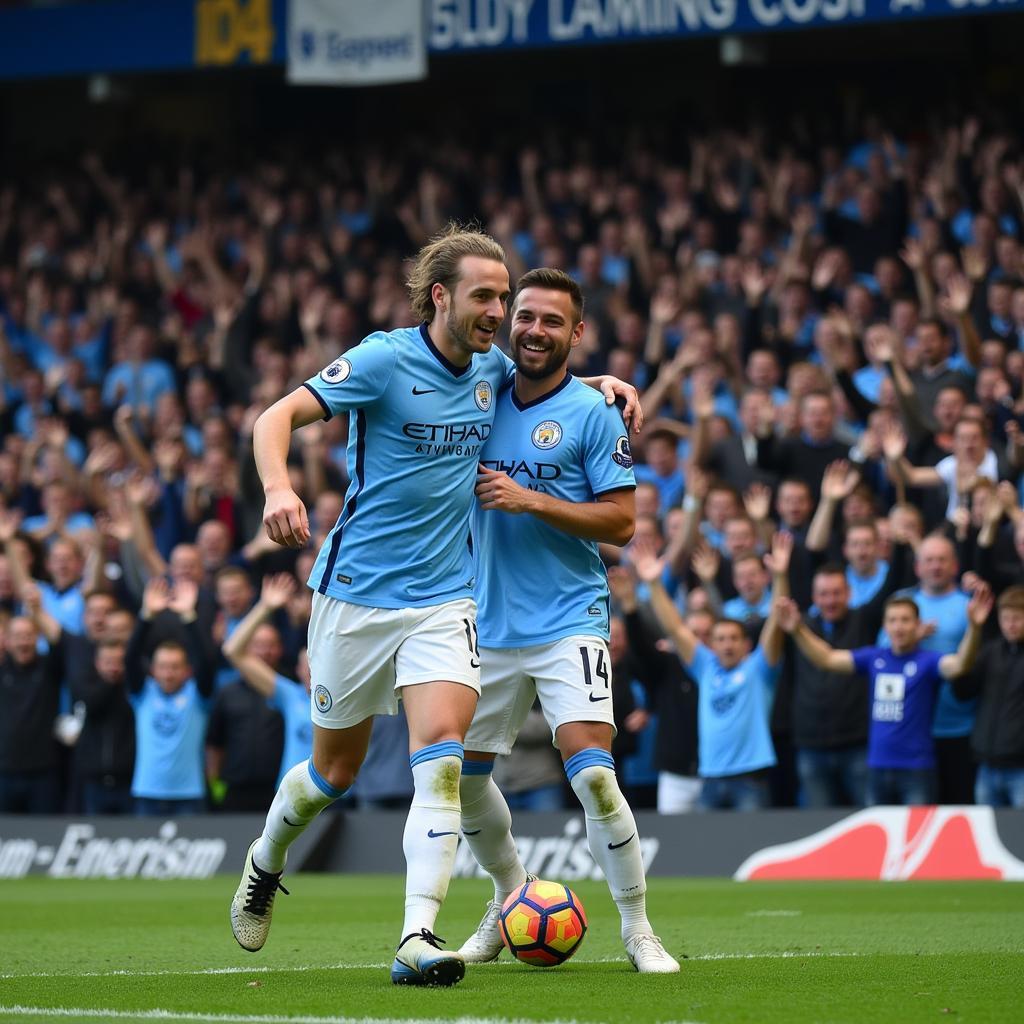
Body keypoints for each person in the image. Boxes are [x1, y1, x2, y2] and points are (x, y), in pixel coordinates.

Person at [229, 227, 640, 988]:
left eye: (505, 298)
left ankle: (418, 933)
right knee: (333, 772)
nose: (501, 314)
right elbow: (272, 419)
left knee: (444, 764)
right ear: (442, 295)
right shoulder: (384, 359)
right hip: (353, 596)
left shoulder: (493, 368)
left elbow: (557, 382)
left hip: (446, 600)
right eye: (486, 297)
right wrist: (279, 487)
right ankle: (265, 861)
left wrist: (612, 385)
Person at [455, 267, 677, 973]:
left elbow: (621, 522)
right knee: (461, 779)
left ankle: (639, 929)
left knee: (594, 777)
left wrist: (531, 500)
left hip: (566, 619)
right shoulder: (478, 388)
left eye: (553, 321)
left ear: (577, 332)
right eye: (526, 317)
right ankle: (508, 898)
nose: (535, 330)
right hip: (485, 623)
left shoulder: (594, 412)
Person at [776, 588, 992, 805]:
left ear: (918, 625)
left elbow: (960, 665)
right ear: (885, 626)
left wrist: (974, 628)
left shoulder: (928, 661)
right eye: (892, 620)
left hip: (917, 770)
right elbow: (827, 658)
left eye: (905, 620)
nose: (898, 627)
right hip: (876, 768)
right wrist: (798, 630)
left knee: (916, 837)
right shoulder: (873, 658)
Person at [631, 532, 790, 811]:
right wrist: (654, 583)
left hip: (750, 777)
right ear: (712, 644)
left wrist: (779, 577)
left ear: (747, 645)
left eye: (733, 639)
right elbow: (675, 628)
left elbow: (776, 620)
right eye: (720, 639)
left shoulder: (759, 668)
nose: (727, 644)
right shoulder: (705, 666)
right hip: (711, 777)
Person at [952, 585, 1024, 807]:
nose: (1010, 624)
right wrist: (973, 629)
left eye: (1017, 618)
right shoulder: (990, 651)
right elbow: (962, 691)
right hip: (986, 765)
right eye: (1006, 618)